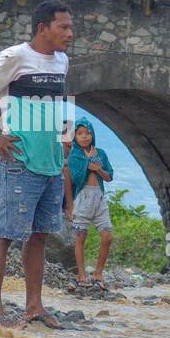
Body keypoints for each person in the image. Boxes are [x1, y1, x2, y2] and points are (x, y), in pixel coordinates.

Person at [0, 0, 73, 328]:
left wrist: (65, 135)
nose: (70, 33)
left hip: (52, 163)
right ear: (43, 28)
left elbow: (57, 105)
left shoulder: (62, 62)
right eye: (63, 27)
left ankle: (34, 306)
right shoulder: (15, 56)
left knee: (39, 235)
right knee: (4, 234)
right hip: (20, 160)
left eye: (71, 27)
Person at [64, 118, 114, 289]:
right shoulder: (74, 156)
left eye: (88, 133)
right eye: (80, 134)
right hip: (82, 198)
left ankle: (98, 273)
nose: (84, 137)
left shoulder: (101, 153)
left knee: (107, 236)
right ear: (75, 137)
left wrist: (98, 168)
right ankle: (82, 275)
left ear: (92, 135)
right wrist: (69, 206)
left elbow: (109, 176)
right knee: (80, 237)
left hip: (99, 197)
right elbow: (75, 178)